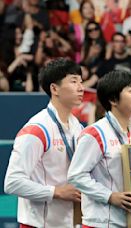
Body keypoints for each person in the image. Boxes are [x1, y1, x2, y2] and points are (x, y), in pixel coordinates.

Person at [4, 58, 84, 227]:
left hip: (70, 221)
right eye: (73, 81)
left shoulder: (77, 126)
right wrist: (56, 192)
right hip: (39, 223)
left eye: (81, 81)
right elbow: (12, 182)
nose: (81, 88)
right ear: (54, 88)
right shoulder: (37, 129)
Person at [68, 70, 131, 227]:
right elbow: (76, 175)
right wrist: (109, 196)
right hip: (101, 222)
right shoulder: (95, 134)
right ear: (113, 99)